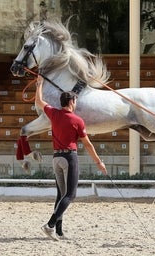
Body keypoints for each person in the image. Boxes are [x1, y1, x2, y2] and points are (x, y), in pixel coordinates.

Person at [35, 77, 108, 241]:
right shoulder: (77, 121)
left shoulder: (54, 113)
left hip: (56, 158)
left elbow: (39, 101)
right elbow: (88, 144)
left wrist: (39, 84)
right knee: (70, 195)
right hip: (69, 157)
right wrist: (99, 162)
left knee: (61, 195)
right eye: (75, 100)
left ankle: (58, 231)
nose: (76, 103)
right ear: (71, 102)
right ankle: (50, 225)